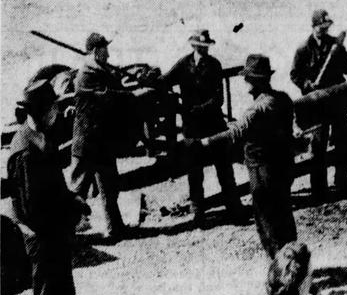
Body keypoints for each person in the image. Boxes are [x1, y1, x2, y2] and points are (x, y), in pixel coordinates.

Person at [7, 79, 89, 295]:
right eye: (53, 107)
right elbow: (30, 209)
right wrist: (67, 217)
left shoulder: (41, 138)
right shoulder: (25, 149)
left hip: (55, 236)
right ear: (41, 111)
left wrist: (72, 202)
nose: (57, 111)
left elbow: (52, 189)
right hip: (44, 240)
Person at [196, 54, 296, 258]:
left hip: (261, 172)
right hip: (283, 167)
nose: (245, 82)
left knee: (267, 224)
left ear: (254, 81)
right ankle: (294, 262)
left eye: (247, 78)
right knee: (284, 217)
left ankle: (280, 271)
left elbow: (236, 133)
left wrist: (204, 142)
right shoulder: (283, 99)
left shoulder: (257, 109)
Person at [69, 32, 152, 240]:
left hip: (101, 143)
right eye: (106, 49)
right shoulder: (86, 74)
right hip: (87, 144)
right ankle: (64, 236)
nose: (109, 53)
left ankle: (115, 229)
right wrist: (133, 96)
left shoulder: (98, 69)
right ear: (97, 51)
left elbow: (113, 87)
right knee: (77, 192)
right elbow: (108, 97)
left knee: (109, 188)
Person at [162, 29, 241, 225]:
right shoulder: (183, 64)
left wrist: (199, 109)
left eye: (206, 47)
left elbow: (219, 98)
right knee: (194, 172)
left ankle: (234, 208)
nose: (204, 50)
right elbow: (166, 80)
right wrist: (152, 80)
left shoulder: (214, 65)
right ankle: (198, 213)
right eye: (201, 47)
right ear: (194, 46)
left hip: (213, 124)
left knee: (224, 168)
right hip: (192, 129)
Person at [290, 9, 347, 199]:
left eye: (326, 27)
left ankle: (344, 183)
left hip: (336, 100)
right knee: (318, 146)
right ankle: (319, 189)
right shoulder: (303, 49)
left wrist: (340, 54)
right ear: (314, 27)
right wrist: (307, 85)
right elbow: (294, 75)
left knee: (342, 140)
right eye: (320, 27)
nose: (324, 31)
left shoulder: (335, 44)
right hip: (316, 105)